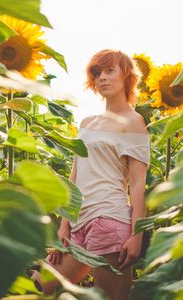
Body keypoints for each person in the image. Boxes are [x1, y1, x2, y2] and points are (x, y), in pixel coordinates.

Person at [31, 49, 150, 300]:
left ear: (127, 75)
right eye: (97, 73)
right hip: (78, 226)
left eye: (109, 71)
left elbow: (138, 184)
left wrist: (137, 236)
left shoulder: (134, 122)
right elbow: (75, 175)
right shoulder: (87, 123)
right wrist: (64, 225)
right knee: (38, 285)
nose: (102, 78)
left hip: (110, 222)